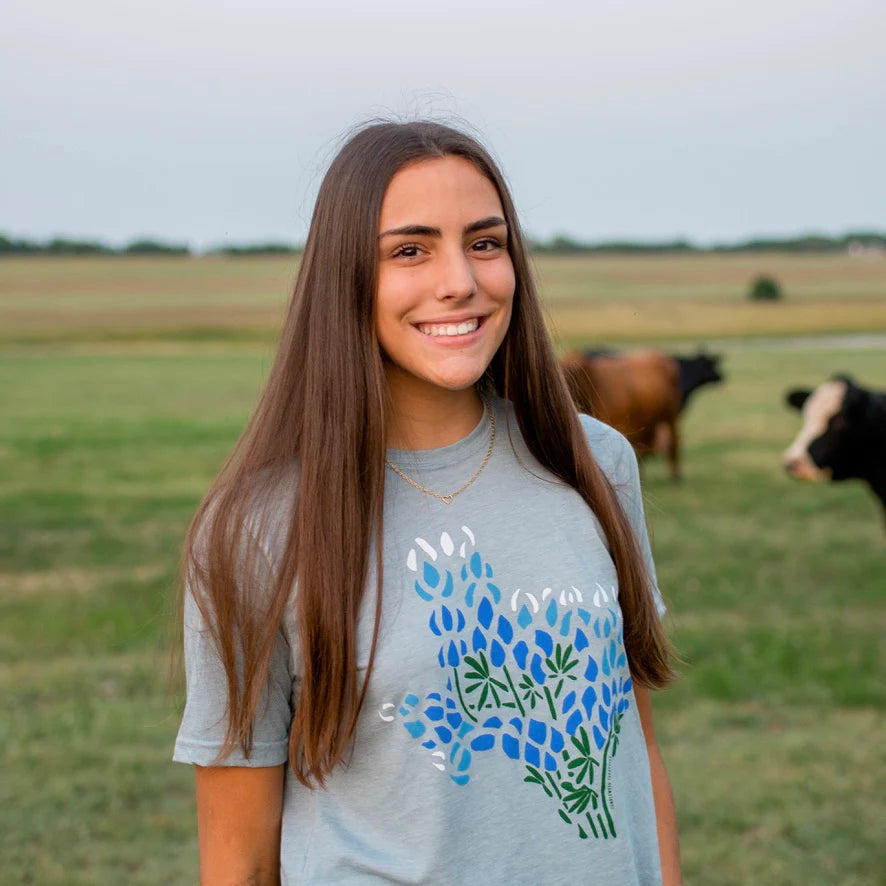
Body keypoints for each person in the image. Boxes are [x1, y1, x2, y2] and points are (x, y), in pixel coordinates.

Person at [174, 120, 682, 885]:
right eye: (409, 250)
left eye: (485, 243)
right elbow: (238, 860)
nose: (461, 281)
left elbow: (634, 749)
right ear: (345, 276)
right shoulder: (255, 529)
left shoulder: (594, 462)